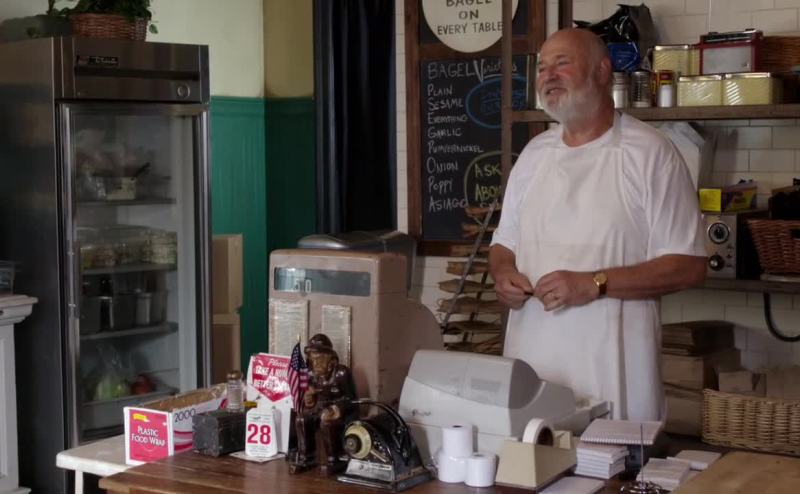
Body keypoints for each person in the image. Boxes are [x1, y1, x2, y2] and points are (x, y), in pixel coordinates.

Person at [489, 28, 707, 421]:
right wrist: (503, 273)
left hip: (616, 377)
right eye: (542, 68)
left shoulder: (651, 153)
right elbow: (504, 244)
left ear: (602, 71)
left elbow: (689, 265)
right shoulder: (534, 155)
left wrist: (595, 283)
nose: (549, 76)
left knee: (613, 458)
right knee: (532, 455)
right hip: (532, 373)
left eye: (562, 63)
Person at [290, 333, 357, 472]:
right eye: (313, 359)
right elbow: (311, 400)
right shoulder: (311, 375)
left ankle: (335, 459)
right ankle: (306, 459)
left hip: (341, 413)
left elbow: (352, 400)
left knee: (326, 421)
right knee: (302, 419)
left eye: (319, 359)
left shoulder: (341, 373)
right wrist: (309, 399)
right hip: (320, 409)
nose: (316, 363)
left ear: (331, 359)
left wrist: (336, 409)